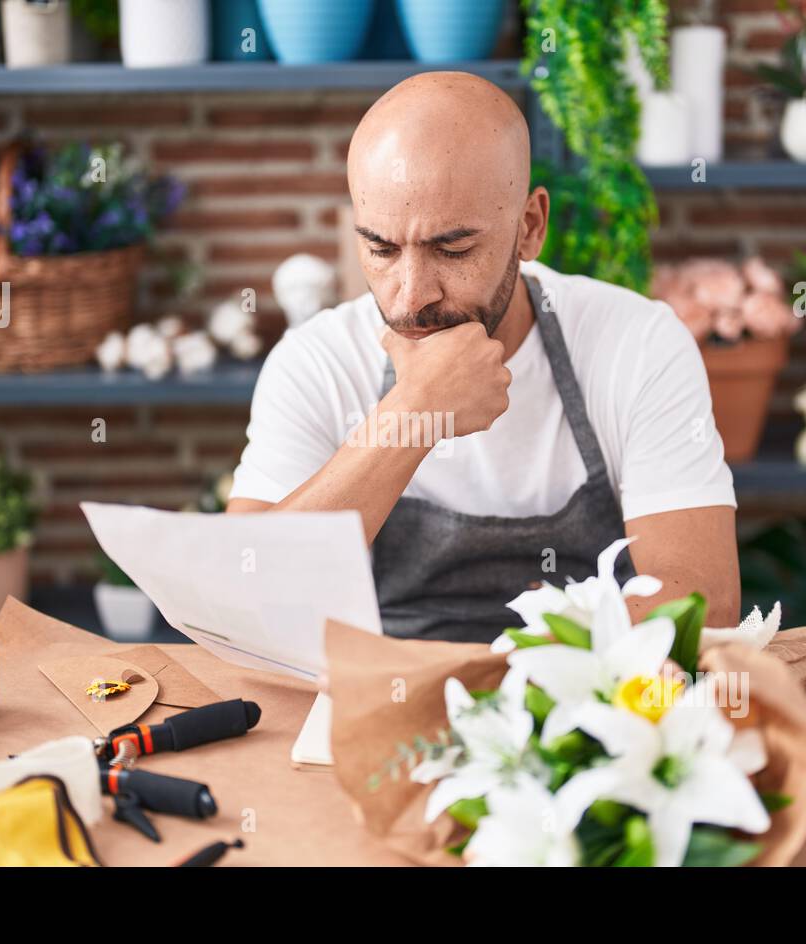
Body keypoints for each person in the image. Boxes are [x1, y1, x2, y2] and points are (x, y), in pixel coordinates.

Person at [227, 71, 740, 642]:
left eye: (453, 249)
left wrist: (507, 684)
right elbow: (247, 601)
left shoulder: (638, 343)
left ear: (529, 227)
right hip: (389, 698)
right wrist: (412, 413)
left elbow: (703, 604)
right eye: (381, 248)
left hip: (589, 704)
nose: (410, 295)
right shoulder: (315, 361)